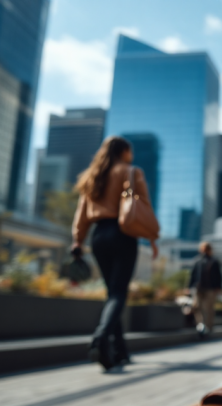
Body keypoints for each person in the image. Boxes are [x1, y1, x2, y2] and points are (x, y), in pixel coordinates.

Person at [71, 137, 159, 371]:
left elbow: (81, 213)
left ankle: (119, 352)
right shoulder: (130, 172)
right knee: (119, 293)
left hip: (98, 236)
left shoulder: (92, 176)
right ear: (124, 151)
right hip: (123, 233)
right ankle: (101, 337)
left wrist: (78, 240)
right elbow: (143, 206)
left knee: (113, 294)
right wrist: (152, 237)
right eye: (130, 150)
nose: (132, 154)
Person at [189, 242, 222, 335]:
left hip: (210, 288)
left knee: (208, 308)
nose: (204, 251)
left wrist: (218, 287)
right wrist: (190, 286)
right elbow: (193, 275)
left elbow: (219, 275)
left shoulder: (214, 261)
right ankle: (200, 325)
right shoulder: (197, 261)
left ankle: (208, 326)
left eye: (206, 249)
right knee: (197, 307)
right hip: (198, 288)